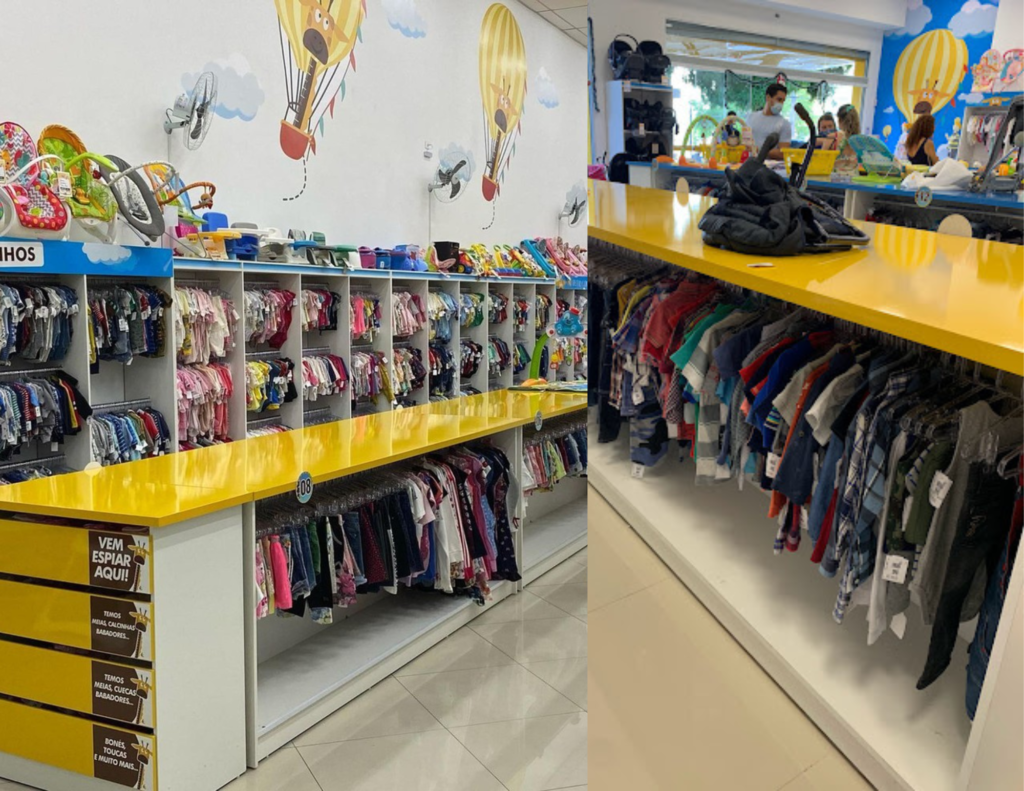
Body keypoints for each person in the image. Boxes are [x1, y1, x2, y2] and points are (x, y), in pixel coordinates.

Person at [746, 84, 790, 160]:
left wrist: (759, 150)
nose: (781, 104)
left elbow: (783, 153)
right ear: (768, 98)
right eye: (779, 100)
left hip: (770, 166)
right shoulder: (751, 117)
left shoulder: (784, 124)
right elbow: (745, 143)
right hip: (750, 163)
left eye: (783, 101)